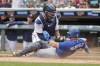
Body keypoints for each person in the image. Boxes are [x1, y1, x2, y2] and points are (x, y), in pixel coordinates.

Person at [13, 27, 90, 58]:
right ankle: (22, 53)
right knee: (40, 43)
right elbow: (85, 46)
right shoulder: (80, 41)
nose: (68, 33)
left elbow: (54, 45)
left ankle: (23, 55)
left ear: (72, 34)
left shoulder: (69, 43)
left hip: (55, 54)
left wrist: (48, 38)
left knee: (37, 52)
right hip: (57, 51)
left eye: (69, 33)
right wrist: (88, 52)